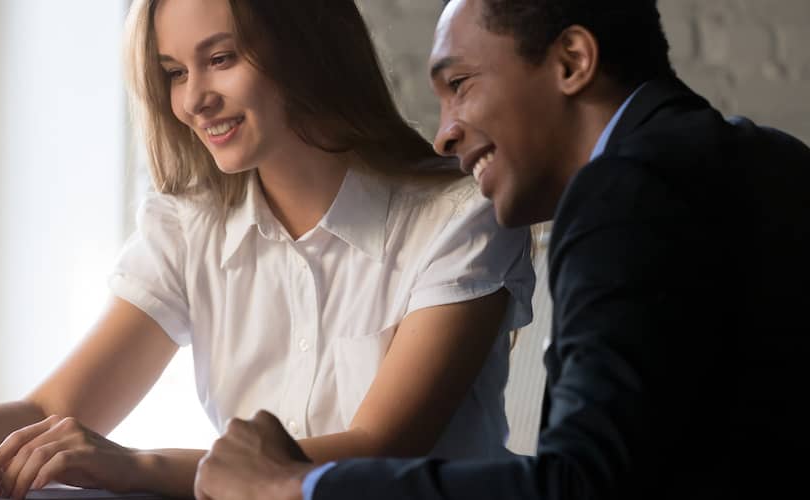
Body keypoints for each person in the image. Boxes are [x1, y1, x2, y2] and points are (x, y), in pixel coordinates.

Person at [0, 0, 535, 498]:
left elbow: (378, 453)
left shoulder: (459, 216)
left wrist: (133, 467)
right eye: (173, 71)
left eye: (219, 60)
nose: (194, 99)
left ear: (308, 49)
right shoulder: (190, 226)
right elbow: (48, 415)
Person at [192, 0, 810, 499]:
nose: (443, 135)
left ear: (572, 60)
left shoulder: (622, 188)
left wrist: (294, 483)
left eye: (459, 84)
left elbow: (584, 484)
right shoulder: (775, 160)